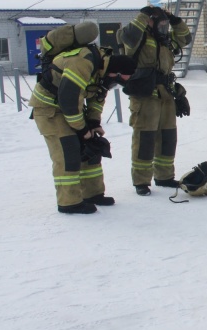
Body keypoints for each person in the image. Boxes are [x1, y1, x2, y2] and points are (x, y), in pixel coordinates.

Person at [30, 22, 137, 214]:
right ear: (116, 72)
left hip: (68, 109)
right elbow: (69, 99)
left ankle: (93, 193)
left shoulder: (102, 70)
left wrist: (93, 124)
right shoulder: (83, 61)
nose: (116, 84)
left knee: (91, 149)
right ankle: (69, 202)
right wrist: (81, 129)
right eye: (118, 80)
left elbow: (97, 96)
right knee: (68, 151)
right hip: (50, 110)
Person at [117, 5, 192, 196]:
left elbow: (185, 38)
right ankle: (141, 181)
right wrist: (143, 15)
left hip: (166, 94)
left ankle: (164, 176)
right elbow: (129, 36)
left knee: (168, 137)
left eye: (166, 25)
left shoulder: (165, 40)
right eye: (161, 23)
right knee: (145, 139)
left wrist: (174, 20)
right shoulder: (136, 37)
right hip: (145, 94)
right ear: (150, 21)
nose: (164, 28)